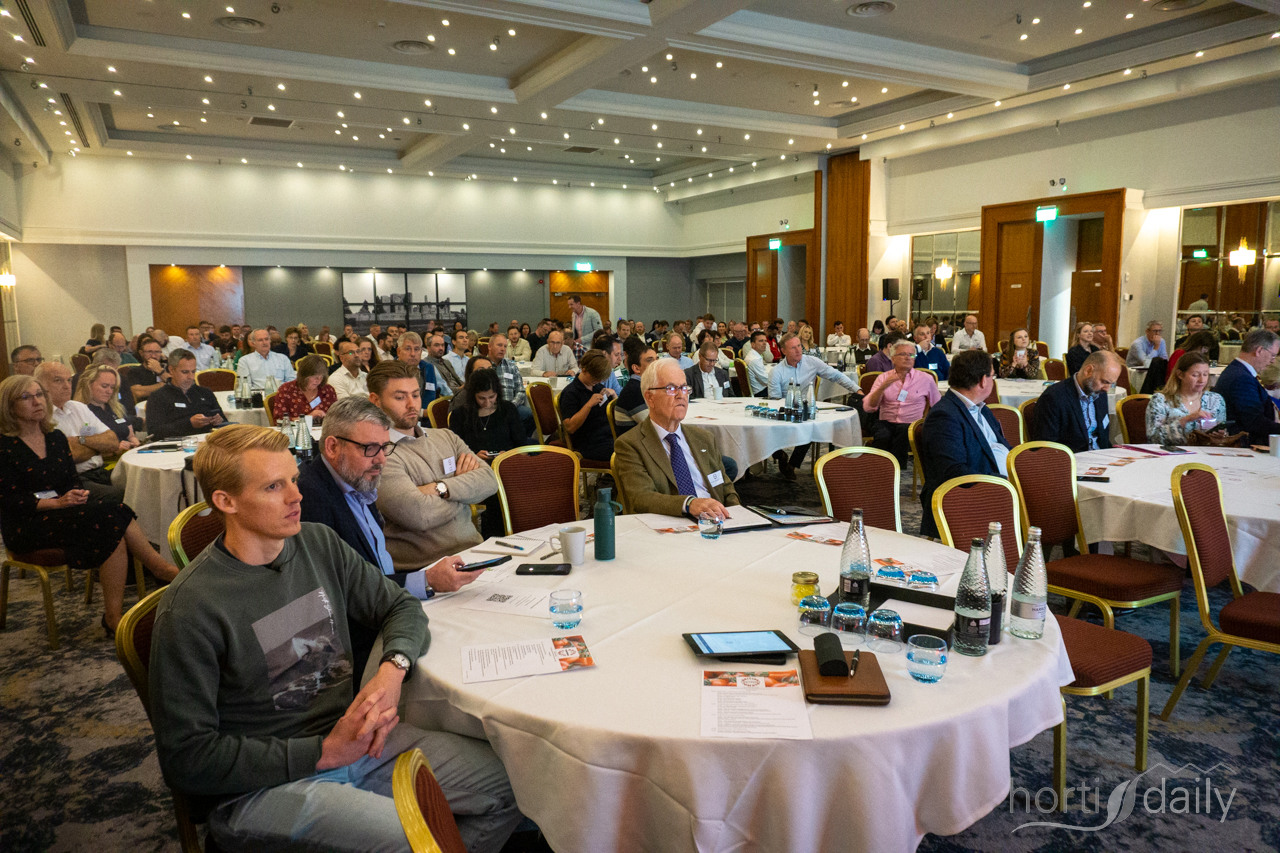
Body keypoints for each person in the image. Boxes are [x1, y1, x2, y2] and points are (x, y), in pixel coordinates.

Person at [148, 424, 519, 852]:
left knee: (511, 784)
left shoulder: (317, 543)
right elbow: (187, 758)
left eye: (293, 479)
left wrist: (392, 671)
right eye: (273, 486)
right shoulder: (192, 608)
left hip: (357, 742)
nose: (296, 495)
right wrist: (323, 752)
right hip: (262, 787)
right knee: (417, 841)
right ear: (225, 501)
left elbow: (400, 606)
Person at [0, 375, 178, 631]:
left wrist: (75, 495)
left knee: (111, 523)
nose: (37, 402)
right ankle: (159, 570)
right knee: (112, 516)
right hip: (27, 525)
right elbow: (10, 500)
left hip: (64, 513)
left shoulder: (55, 438)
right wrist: (56, 503)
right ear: (9, 405)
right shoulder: (4, 447)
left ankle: (115, 615)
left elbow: (71, 481)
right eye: (26, 397)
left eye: (39, 395)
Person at [297, 396, 482, 606]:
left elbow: (375, 576)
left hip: (391, 600)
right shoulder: (310, 499)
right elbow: (343, 591)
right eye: (370, 448)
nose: (381, 460)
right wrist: (427, 580)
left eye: (384, 447)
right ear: (332, 447)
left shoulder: (356, 480)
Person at [370, 361, 499, 568]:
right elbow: (419, 515)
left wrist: (442, 488)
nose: (412, 405)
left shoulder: (446, 436)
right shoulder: (379, 454)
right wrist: (464, 494)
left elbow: (490, 481)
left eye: (415, 395)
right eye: (400, 397)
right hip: (425, 569)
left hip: (475, 555)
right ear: (375, 401)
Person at [614, 359, 740, 518]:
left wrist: (737, 517)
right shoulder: (631, 444)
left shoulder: (703, 438)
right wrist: (689, 504)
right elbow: (641, 497)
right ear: (650, 397)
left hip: (717, 522)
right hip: (670, 524)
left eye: (684, 388)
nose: (681, 395)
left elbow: (726, 489)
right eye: (671, 388)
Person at [918, 350, 1012, 539]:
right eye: (992, 376)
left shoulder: (981, 409)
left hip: (1000, 485)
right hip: (972, 496)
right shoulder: (944, 416)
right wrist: (1003, 482)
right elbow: (954, 471)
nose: (993, 382)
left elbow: (1001, 447)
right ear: (983, 381)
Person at [767, 333, 861, 477]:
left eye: (799, 346)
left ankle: (792, 465)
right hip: (784, 411)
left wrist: (857, 389)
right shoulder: (776, 372)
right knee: (767, 429)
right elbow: (775, 400)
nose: (798, 350)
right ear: (784, 351)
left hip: (805, 410)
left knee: (812, 427)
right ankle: (779, 454)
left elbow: (836, 375)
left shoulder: (811, 362)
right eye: (793, 348)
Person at [34, 361, 128, 502]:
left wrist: (80, 440)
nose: (66, 386)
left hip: (100, 471)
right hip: (74, 480)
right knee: (120, 495)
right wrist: (98, 449)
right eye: (58, 380)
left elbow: (112, 440)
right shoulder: (41, 415)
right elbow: (70, 455)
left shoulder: (78, 407)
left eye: (69, 380)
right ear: (40, 385)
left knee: (140, 486)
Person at [863, 339, 941, 467]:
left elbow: (937, 405)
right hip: (886, 422)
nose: (908, 358)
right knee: (883, 435)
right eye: (903, 354)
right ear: (893, 358)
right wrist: (883, 386)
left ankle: (896, 469)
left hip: (911, 424)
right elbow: (868, 407)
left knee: (903, 432)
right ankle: (879, 469)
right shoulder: (883, 378)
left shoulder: (926, 379)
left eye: (911, 355)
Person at [1031, 350, 1123, 452]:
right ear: (1088, 371)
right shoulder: (1054, 398)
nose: (1107, 389)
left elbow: (1103, 439)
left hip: (1101, 456)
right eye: (1104, 382)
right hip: (1072, 458)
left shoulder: (1100, 394)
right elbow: (1045, 448)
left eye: (1111, 384)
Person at [1213, 329, 1280, 446]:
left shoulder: (1238, 371)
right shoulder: (1241, 378)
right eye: (1272, 355)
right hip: (1246, 444)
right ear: (1259, 351)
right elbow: (1254, 421)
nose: (1272, 361)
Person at [448, 367, 526, 464]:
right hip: (474, 466)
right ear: (473, 395)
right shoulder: (459, 415)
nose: (487, 403)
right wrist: (474, 457)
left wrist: (508, 455)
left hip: (507, 464)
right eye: (481, 398)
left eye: (492, 397)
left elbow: (522, 445)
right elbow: (454, 452)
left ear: (497, 393)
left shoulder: (508, 409)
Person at [1145, 353, 1227, 445]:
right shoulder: (1161, 400)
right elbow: (1153, 438)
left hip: (1207, 452)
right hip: (1172, 452)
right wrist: (1185, 420)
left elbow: (1223, 438)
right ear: (1180, 374)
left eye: (1205, 374)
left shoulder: (1215, 400)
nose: (1202, 380)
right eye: (1195, 375)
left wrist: (1221, 436)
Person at [144, 349, 227, 437]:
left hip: (208, 440)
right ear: (171, 370)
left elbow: (225, 422)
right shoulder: (158, 397)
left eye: (193, 371)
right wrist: (189, 424)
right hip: (176, 442)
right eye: (185, 372)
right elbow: (154, 433)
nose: (191, 377)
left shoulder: (205, 393)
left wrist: (219, 421)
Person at [556, 350, 616, 462]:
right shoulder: (571, 393)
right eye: (595, 377)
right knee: (625, 450)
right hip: (588, 442)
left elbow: (614, 415)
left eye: (600, 378)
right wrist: (588, 405)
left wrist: (614, 396)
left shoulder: (598, 387)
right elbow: (570, 427)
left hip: (606, 436)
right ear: (584, 369)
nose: (598, 380)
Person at [73, 364, 140, 449]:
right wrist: (113, 447)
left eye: (112, 387)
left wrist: (135, 443)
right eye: (104, 386)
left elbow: (131, 436)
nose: (109, 391)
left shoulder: (116, 408)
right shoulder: (81, 412)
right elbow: (81, 441)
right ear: (88, 385)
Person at [485, 334, 534, 439]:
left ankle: (519, 440)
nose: (503, 349)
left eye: (505, 346)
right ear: (489, 346)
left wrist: (512, 405)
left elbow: (520, 390)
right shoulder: (483, 365)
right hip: (489, 406)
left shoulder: (511, 366)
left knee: (531, 415)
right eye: (499, 345)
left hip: (511, 405)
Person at [270, 355, 336, 422]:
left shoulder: (328, 390)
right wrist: (308, 417)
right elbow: (279, 421)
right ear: (304, 375)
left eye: (321, 377)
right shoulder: (286, 390)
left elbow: (337, 417)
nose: (318, 380)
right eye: (314, 377)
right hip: (296, 428)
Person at [120, 337, 171, 417]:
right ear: (141, 353)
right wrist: (162, 385)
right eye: (149, 352)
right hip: (146, 409)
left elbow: (177, 384)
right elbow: (138, 392)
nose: (153, 356)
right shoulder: (135, 371)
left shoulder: (167, 368)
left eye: (157, 352)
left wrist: (160, 371)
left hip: (168, 406)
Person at [617, 337, 658, 430]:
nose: (656, 364)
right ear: (636, 368)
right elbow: (655, 426)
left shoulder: (646, 386)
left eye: (657, 359)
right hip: (637, 438)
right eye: (650, 360)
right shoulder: (633, 391)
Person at [394, 331, 440, 412]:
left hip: (427, 416)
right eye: (408, 349)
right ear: (398, 352)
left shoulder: (428, 368)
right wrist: (421, 413)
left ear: (421, 352)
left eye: (416, 349)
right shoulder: (390, 370)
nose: (413, 354)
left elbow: (432, 394)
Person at [425, 332, 463, 396]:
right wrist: (462, 388)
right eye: (437, 345)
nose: (441, 348)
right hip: (449, 397)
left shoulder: (446, 362)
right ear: (428, 348)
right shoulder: (427, 365)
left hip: (460, 392)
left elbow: (458, 379)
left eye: (442, 345)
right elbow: (443, 389)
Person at [742, 330, 770, 397]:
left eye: (765, 341)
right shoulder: (755, 359)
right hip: (761, 392)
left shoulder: (753, 355)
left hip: (761, 389)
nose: (764, 343)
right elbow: (766, 381)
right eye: (761, 341)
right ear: (753, 344)